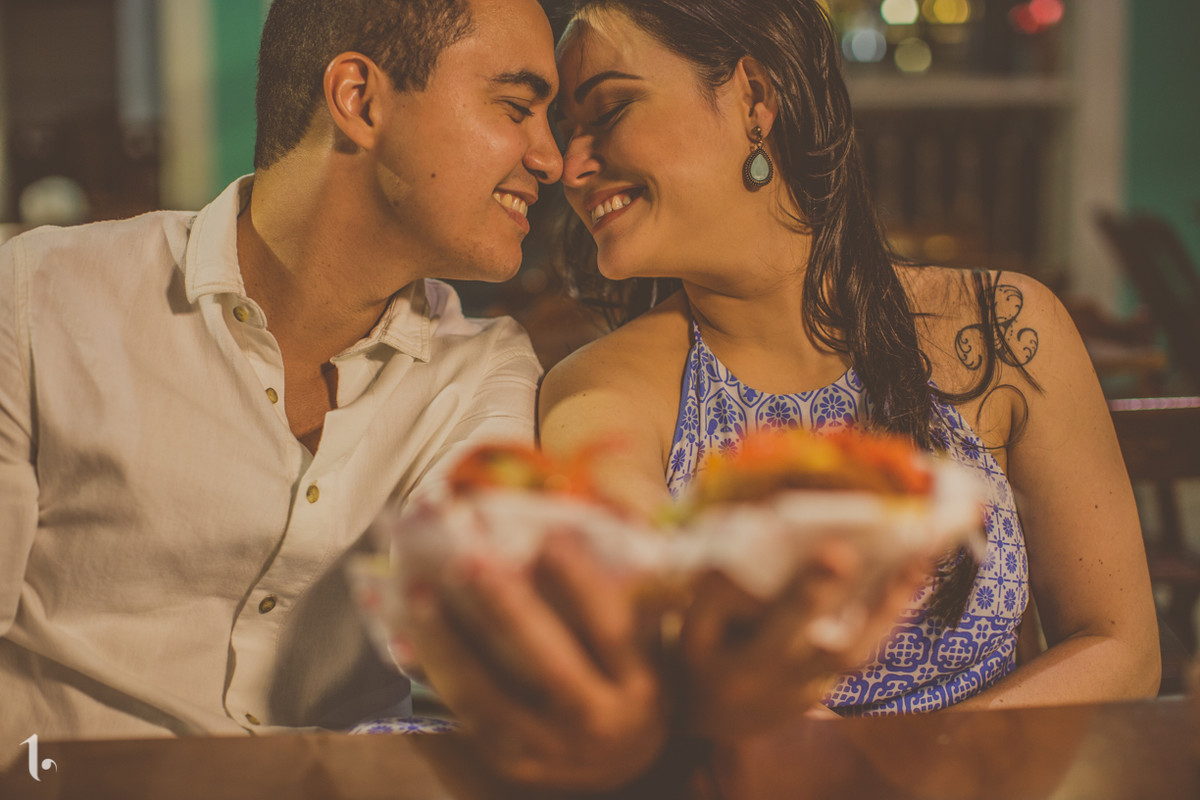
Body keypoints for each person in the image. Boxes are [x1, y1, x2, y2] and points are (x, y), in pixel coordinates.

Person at [541, 0, 1162, 738]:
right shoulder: (597, 394)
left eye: (608, 110)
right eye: (562, 132)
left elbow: (1122, 647)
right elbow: (689, 658)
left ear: (754, 99)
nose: (568, 168)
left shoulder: (1005, 330)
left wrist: (927, 770)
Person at [0, 0, 563, 745]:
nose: (551, 158)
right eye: (517, 107)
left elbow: (480, 610)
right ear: (359, 101)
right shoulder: (39, 298)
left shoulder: (483, 367)